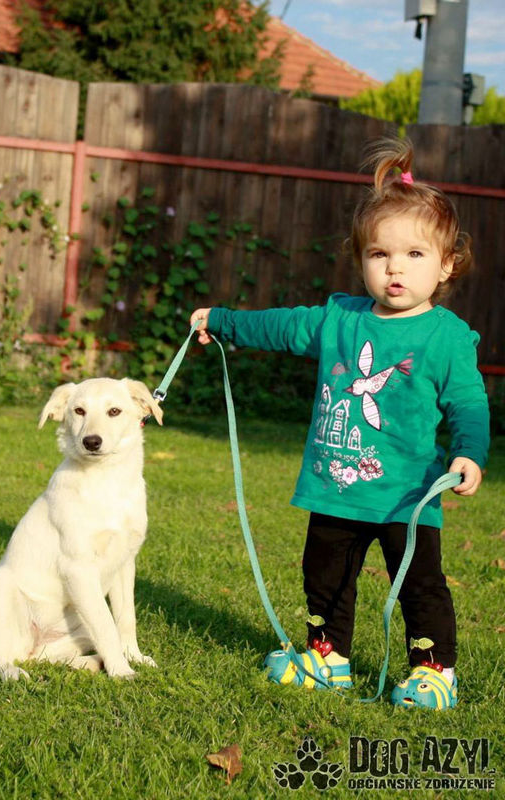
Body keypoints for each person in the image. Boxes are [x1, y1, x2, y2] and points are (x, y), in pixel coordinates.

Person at [190, 136, 490, 709]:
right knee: (324, 577)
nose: (395, 267)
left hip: (406, 495)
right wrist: (222, 320)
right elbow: (279, 327)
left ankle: (433, 672)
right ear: (361, 260)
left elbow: (469, 404)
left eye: (415, 255)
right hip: (335, 487)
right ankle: (328, 658)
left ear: (447, 264)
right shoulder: (339, 320)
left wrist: (470, 452)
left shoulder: (445, 336)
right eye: (379, 255)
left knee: (419, 585)